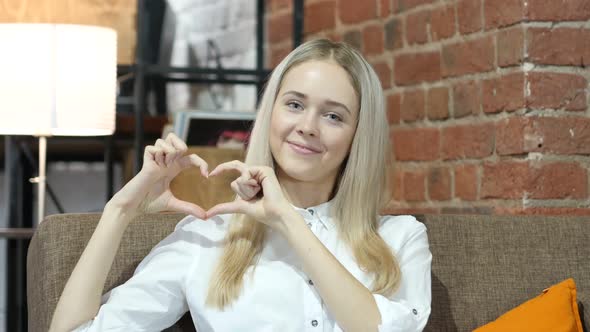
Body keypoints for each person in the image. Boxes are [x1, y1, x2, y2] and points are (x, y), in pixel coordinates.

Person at [50, 39, 432, 332]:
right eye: (295, 105)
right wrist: (120, 211)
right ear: (272, 113)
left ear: (358, 135)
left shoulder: (401, 238)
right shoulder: (206, 239)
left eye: (333, 115)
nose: (309, 126)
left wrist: (288, 222)